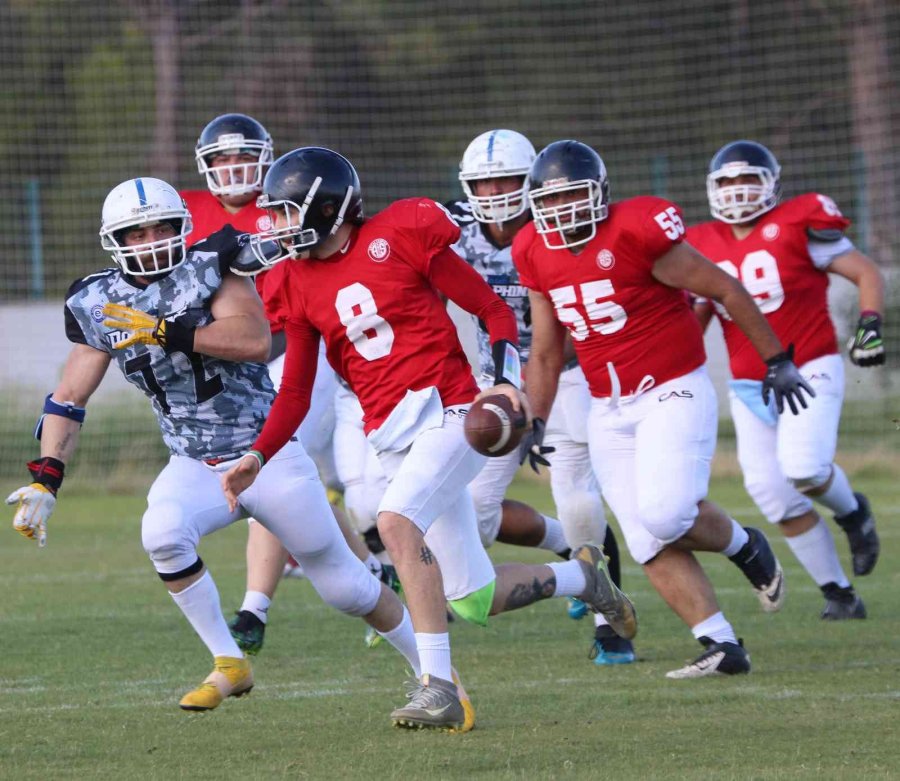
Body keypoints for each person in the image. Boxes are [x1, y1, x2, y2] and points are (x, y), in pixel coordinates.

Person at [221, 146, 637, 731]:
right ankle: (586, 578)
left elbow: (491, 309)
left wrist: (502, 384)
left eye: (290, 211)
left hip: (451, 411)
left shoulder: (402, 233)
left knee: (393, 521)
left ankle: (438, 688)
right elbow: (294, 391)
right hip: (388, 434)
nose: (278, 224)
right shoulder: (291, 279)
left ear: (327, 208)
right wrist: (258, 455)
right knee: (473, 596)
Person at [6, 177, 421, 712]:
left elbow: (252, 341)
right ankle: (230, 662)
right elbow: (69, 396)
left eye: (161, 226)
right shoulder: (98, 301)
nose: (151, 239)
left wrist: (163, 330)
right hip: (193, 462)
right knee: (162, 533)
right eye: (136, 231)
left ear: (183, 226)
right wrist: (48, 478)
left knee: (345, 589)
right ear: (115, 240)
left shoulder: (212, 267)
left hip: (263, 455)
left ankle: (436, 671)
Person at [511, 140, 811, 679]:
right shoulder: (532, 248)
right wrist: (535, 415)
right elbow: (546, 349)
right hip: (607, 406)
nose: (563, 211)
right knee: (646, 537)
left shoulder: (637, 229)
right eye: (551, 201)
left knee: (666, 514)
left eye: (574, 197)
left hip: (672, 389)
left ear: (600, 194)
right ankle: (720, 645)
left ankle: (746, 545)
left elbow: (726, 288)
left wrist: (776, 360)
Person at [181, 113, 374, 653]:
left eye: (244, 156)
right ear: (205, 165)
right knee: (295, 484)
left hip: (292, 348)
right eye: (222, 159)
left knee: (267, 470)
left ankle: (253, 610)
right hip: (225, 364)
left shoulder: (285, 204)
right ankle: (376, 568)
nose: (234, 168)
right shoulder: (184, 210)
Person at [450, 128, 634, 664]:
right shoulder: (454, 231)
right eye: (482, 186)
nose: (494, 195)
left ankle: (610, 624)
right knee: (476, 514)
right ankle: (572, 554)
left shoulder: (560, 222)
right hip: (499, 383)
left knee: (574, 491)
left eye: (505, 181)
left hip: (569, 371)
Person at [687, 140, 883, 619]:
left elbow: (864, 271)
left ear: (771, 182)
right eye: (728, 181)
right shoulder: (701, 243)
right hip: (748, 383)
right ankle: (839, 594)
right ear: (712, 189)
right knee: (773, 492)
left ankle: (853, 512)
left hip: (809, 365)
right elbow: (698, 318)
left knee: (805, 467)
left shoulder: (800, 222)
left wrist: (870, 322)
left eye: (748, 178)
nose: (738, 190)